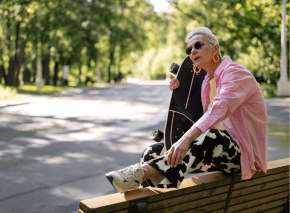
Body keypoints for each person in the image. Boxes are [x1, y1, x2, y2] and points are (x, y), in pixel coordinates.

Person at [105, 27, 268, 193]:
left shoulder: (236, 72)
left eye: (198, 45)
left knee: (211, 138)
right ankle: (150, 202)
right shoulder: (206, 83)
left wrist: (185, 139)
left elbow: (220, 107)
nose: (193, 51)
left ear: (216, 48)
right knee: (152, 151)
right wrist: (180, 92)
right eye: (189, 49)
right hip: (214, 154)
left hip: (244, 157)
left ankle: (139, 173)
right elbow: (195, 117)